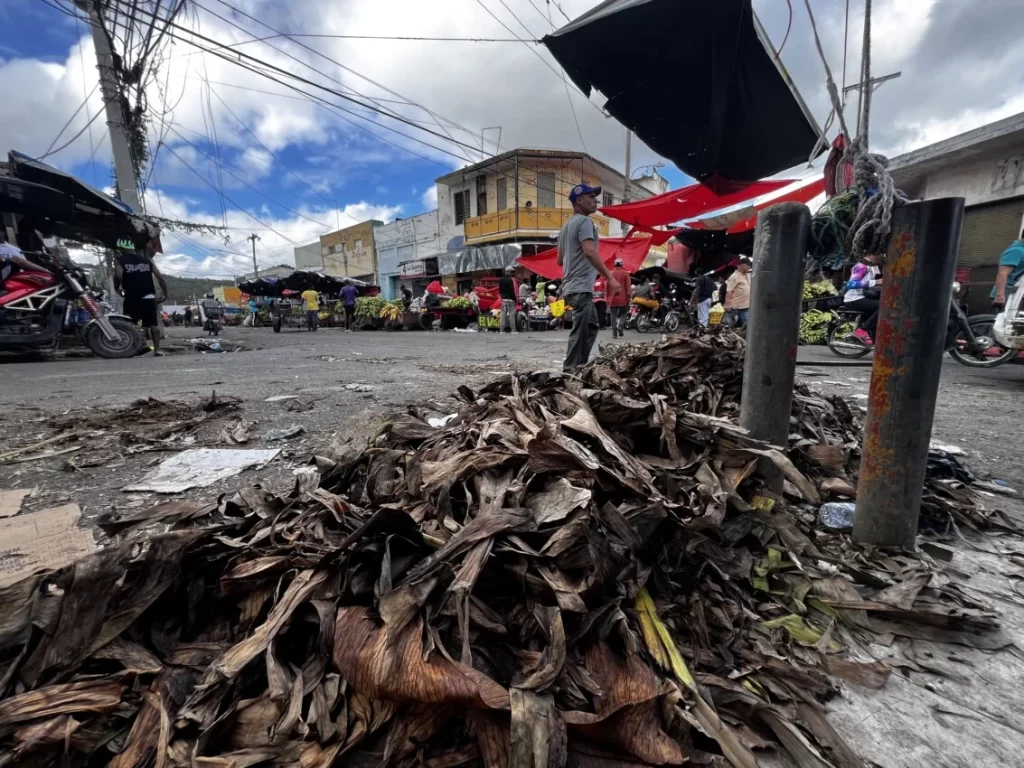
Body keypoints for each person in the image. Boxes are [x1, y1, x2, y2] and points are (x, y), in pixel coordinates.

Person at [557, 183, 621, 371]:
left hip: (572, 285)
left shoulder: (565, 227)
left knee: (591, 325)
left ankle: (580, 365)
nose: (596, 201)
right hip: (580, 286)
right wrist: (610, 278)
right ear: (579, 200)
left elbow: (560, 260)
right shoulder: (585, 222)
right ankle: (570, 369)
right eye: (591, 197)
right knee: (581, 329)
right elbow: (589, 252)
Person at [114, 238, 170, 356]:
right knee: (153, 324)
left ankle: (132, 349)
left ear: (121, 249)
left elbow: (118, 275)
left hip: (132, 295)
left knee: (130, 323)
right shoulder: (146, 260)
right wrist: (165, 294)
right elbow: (160, 277)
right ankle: (157, 350)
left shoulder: (120, 260)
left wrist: (116, 288)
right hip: (149, 296)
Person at [843, 255, 882, 343]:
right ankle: (863, 330)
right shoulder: (861, 266)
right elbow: (851, 284)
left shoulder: (873, 267)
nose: (881, 256)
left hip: (863, 297)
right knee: (883, 307)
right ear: (871, 254)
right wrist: (876, 282)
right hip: (853, 299)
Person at [992, 229, 1024, 310]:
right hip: (1006, 295)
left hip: (1016, 294)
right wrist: (1000, 296)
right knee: (1001, 321)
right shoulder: (1016, 250)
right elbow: (1002, 274)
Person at [724, 256, 752, 328]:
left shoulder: (746, 275)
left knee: (742, 326)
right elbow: (729, 292)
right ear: (742, 265)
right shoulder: (734, 277)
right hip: (737, 308)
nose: (749, 268)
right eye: (748, 266)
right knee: (744, 326)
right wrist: (727, 305)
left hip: (745, 306)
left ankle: (741, 337)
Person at [608, 258, 631, 338]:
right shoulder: (626, 273)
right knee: (623, 313)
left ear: (614, 264)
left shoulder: (610, 273)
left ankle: (614, 333)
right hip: (623, 298)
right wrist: (630, 297)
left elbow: (607, 287)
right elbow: (628, 287)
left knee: (613, 315)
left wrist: (607, 297)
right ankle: (620, 327)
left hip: (612, 298)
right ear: (622, 264)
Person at [498, 265, 518, 334]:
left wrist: (502, 297)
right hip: (510, 300)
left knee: (503, 315)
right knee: (511, 315)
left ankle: (501, 330)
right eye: (512, 272)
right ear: (508, 272)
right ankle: (513, 330)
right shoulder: (510, 280)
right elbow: (511, 291)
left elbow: (500, 289)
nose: (512, 273)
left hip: (503, 299)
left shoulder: (500, 279)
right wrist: (515, 300)